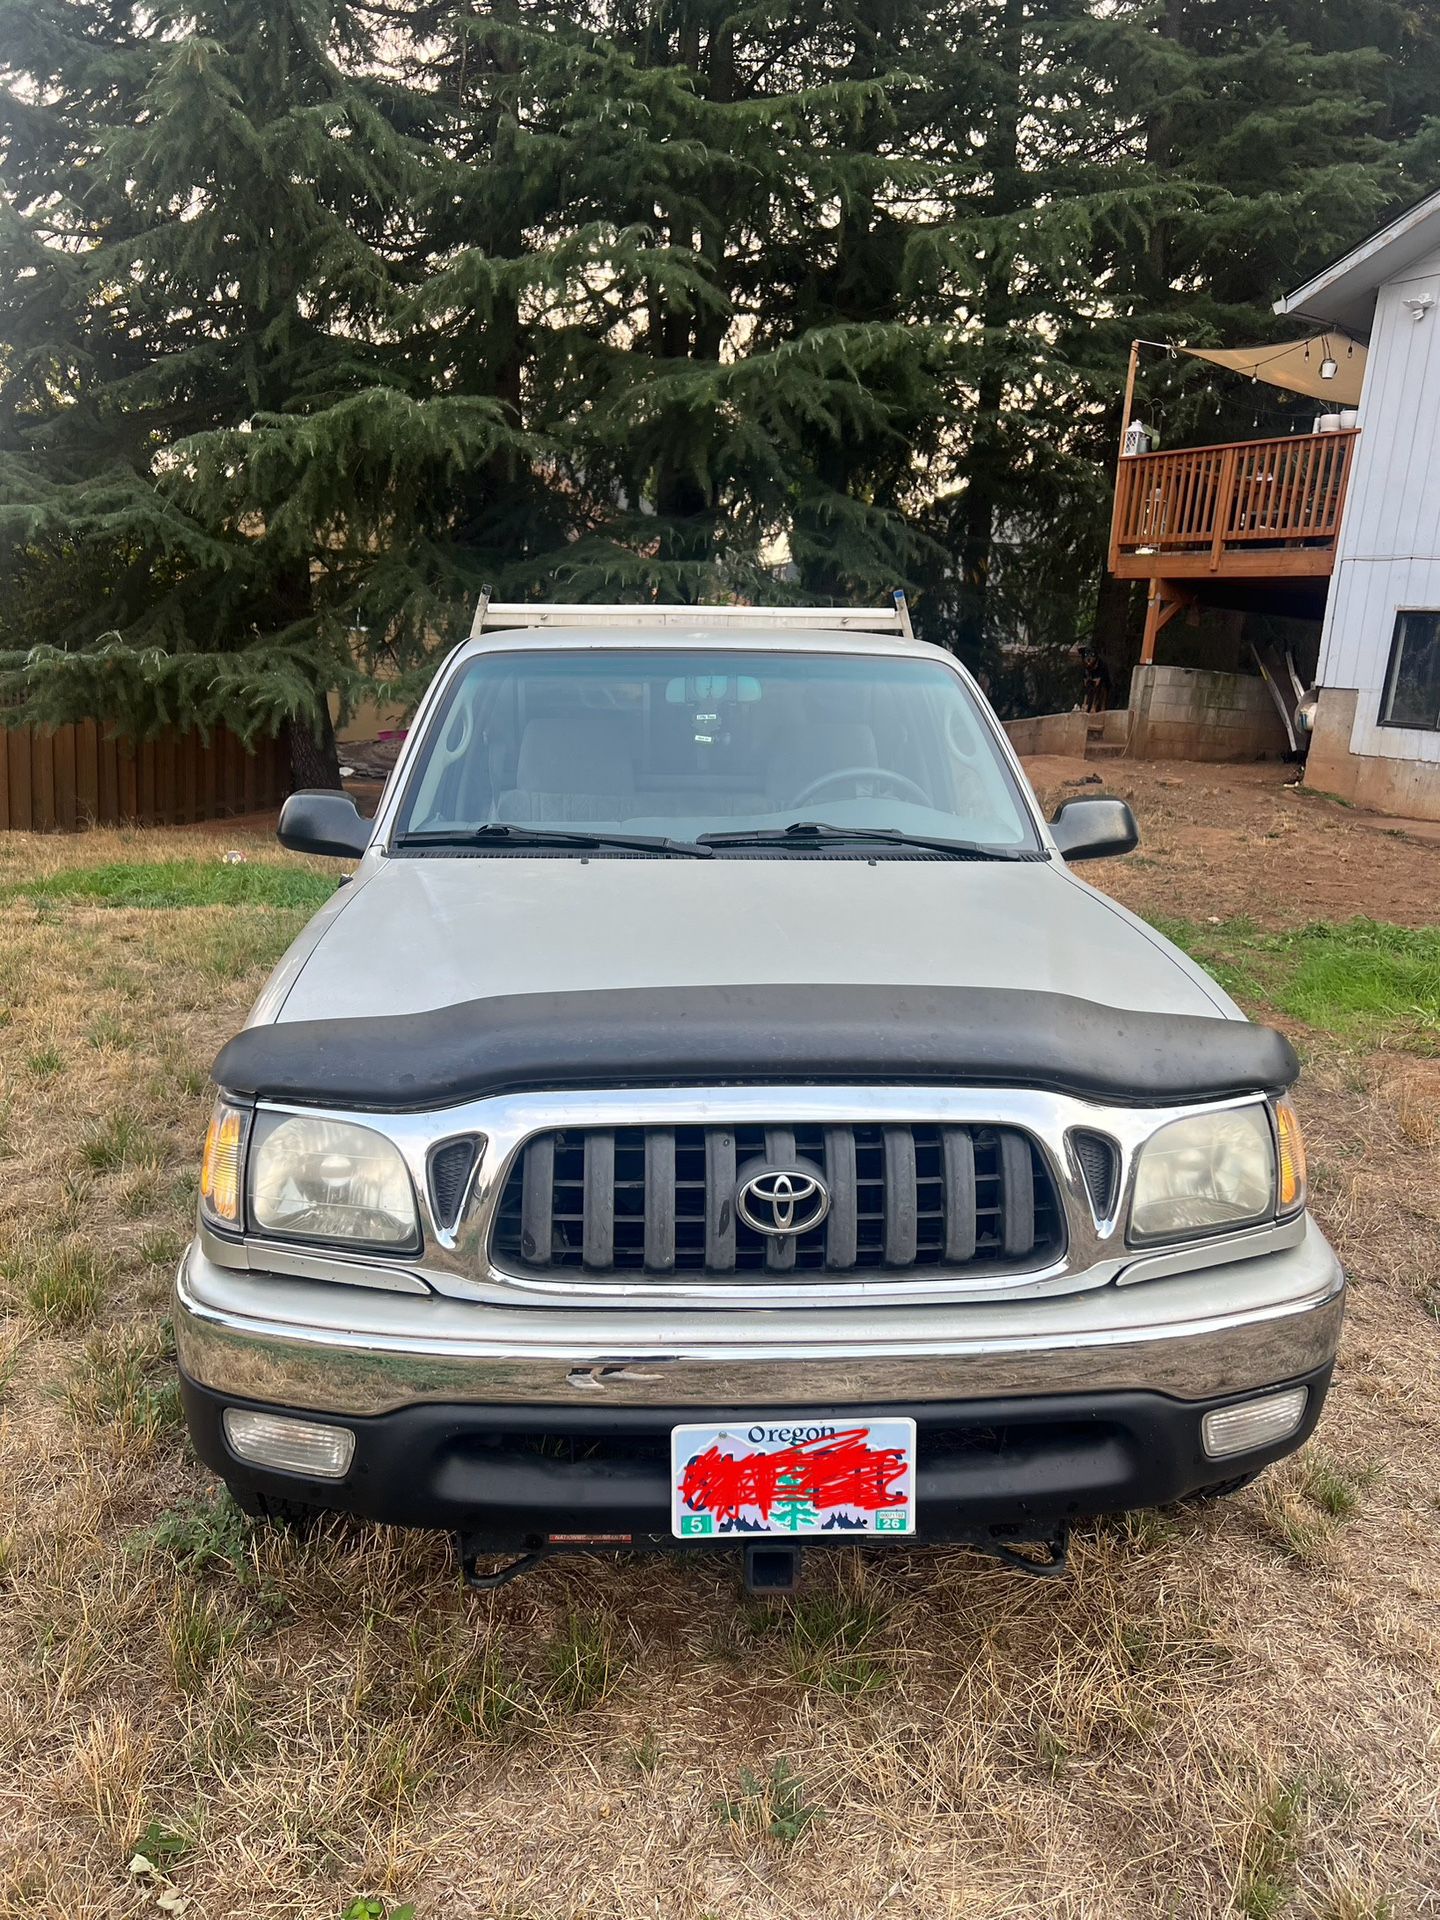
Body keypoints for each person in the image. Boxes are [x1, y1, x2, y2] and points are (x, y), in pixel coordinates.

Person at [1080, 647, 1111, 713]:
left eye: (1092, 655)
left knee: (1101, 689)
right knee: (1087, 689)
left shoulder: (1101, 667)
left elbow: (1098, 689)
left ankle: (1096, 706)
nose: (1089, 658)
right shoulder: (1085, 671)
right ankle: (1085, 705)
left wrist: (1094, 707)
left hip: (1098, 673)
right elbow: (1085, 689)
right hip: (1089, 673)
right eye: (1086, 655)